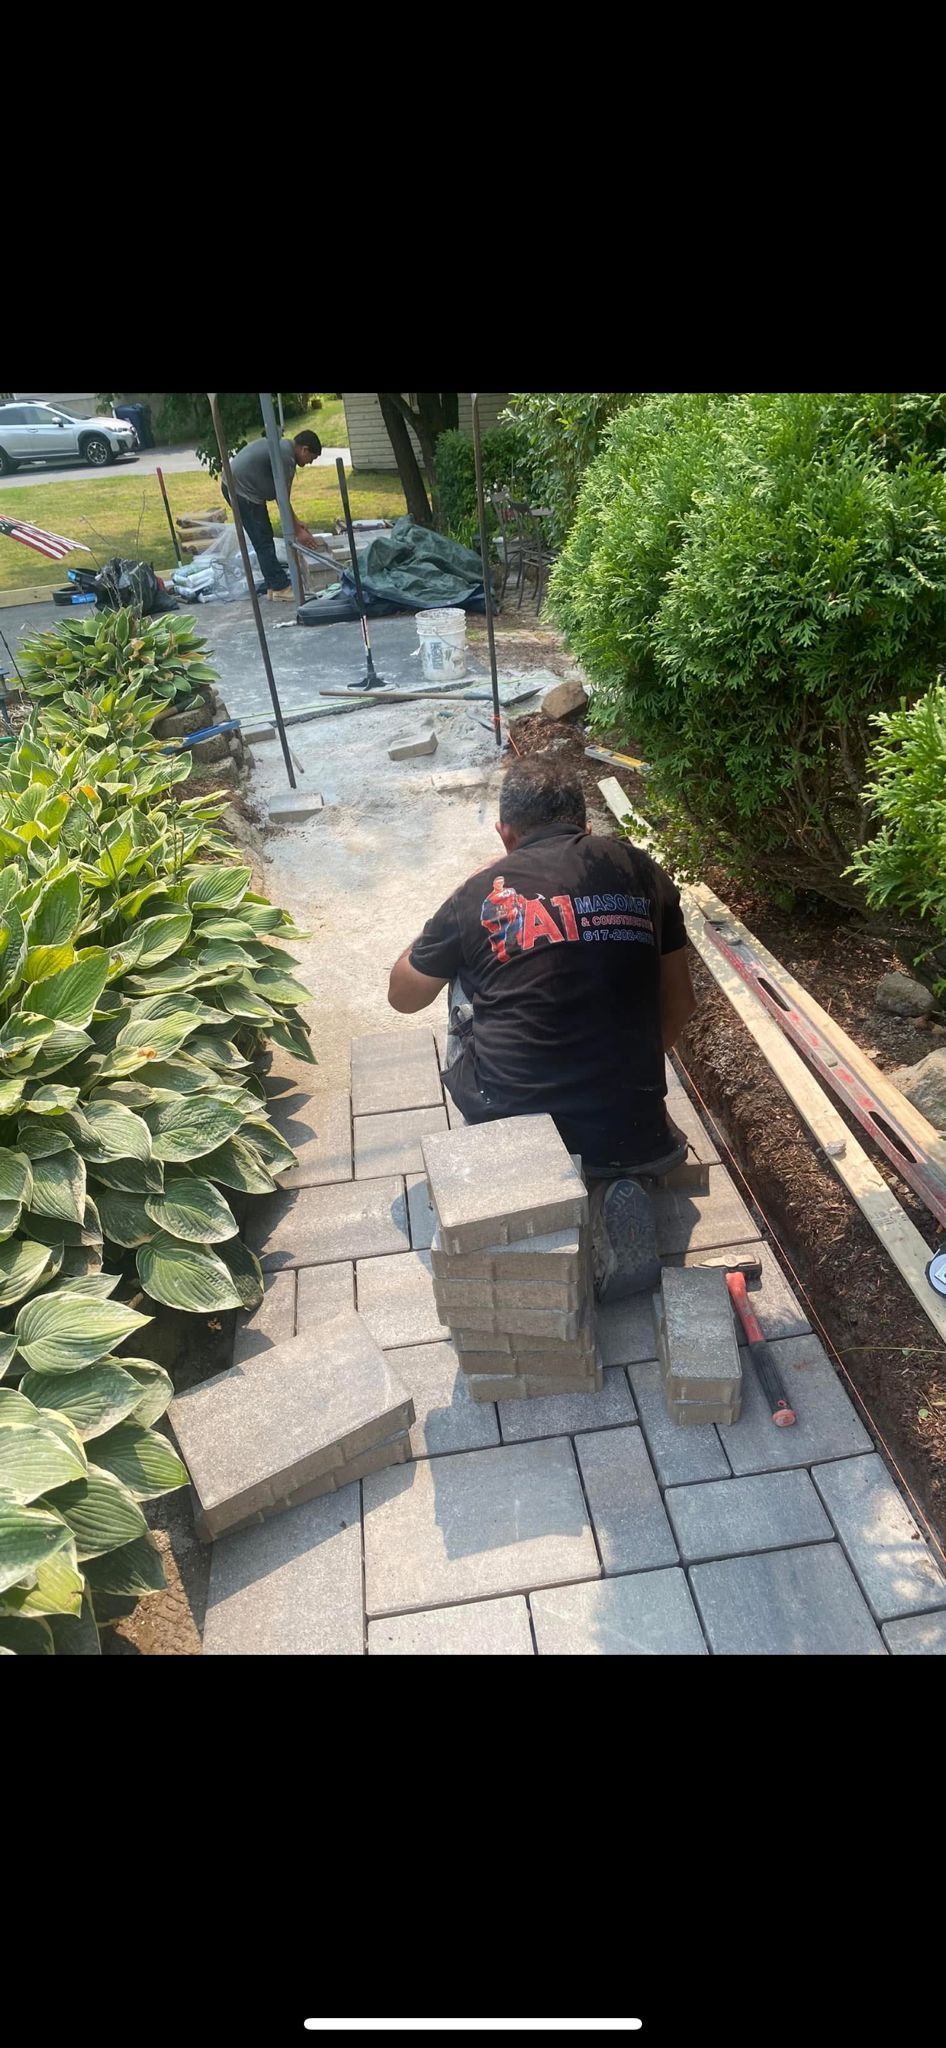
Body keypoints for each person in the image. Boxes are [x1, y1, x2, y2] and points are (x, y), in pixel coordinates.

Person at [387, 754, 697, 1301]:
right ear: (586, 825)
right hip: (638, 1128)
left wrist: (454, 912)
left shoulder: (479, 893)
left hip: (521, 1124)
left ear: (504, 833)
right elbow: (681, 1001)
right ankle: (615, 1171)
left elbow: (403, 996)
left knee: (463, 976)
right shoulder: (641, 870)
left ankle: (522, 1160)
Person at [221, 428, 324, 599]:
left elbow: (283, 498)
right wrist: (298, 532)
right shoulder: (286, 457)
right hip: (241, 491)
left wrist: (296, 522)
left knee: (264, 537)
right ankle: (280, 587)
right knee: (263, 540)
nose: (310, 462)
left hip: (240, 487)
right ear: (304, 450)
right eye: (311, 458)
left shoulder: (284, 450)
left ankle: (272, 586)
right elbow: (281, 499)